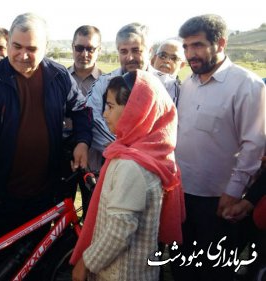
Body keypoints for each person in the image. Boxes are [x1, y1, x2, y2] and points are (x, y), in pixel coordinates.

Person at [0, 12, 92, 277]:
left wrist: (83, 141)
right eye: (17, 47)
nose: (23, 55)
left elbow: (82, 109)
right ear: (8, 44)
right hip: (1, 196)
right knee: (2, 266)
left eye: (32, 49)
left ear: (45, 48)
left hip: (46, 194)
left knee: (42, 263)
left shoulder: (58, 75)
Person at [173, 14, 265, 281]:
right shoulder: (189, 83)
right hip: (183, 195)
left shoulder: (247, 85)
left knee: (214, 271)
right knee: (182, 266)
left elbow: (254, 145)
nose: (190, 54)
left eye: (198, 45)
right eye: (186, 47)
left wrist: (234, 191)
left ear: (221, 43)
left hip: (220, 202)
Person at [70, 70, 184, 281]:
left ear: (137, 111)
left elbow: (119, 230)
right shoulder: (146, 153)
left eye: (111, 107)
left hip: (120, 272)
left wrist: (86, 263)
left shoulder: (132, 165)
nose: (104, 114)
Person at [86, 23, 179, 167]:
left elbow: (168, 127)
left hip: (153, 166)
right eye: (124, 51)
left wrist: (137, 154)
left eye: (136, 50)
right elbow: (92, 119)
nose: (130, 57)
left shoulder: (168, 85)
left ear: (150, 51)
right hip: (110, 161)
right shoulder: (103, 83)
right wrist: (123, 150)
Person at [67, 25, 103, 173]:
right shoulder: (60, 79)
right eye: (79, 48)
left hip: (95, 159)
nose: (84, 53)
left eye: (90, 49)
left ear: (99, 50)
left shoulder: (107, 82)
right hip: (65, 158)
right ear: (72, 47)